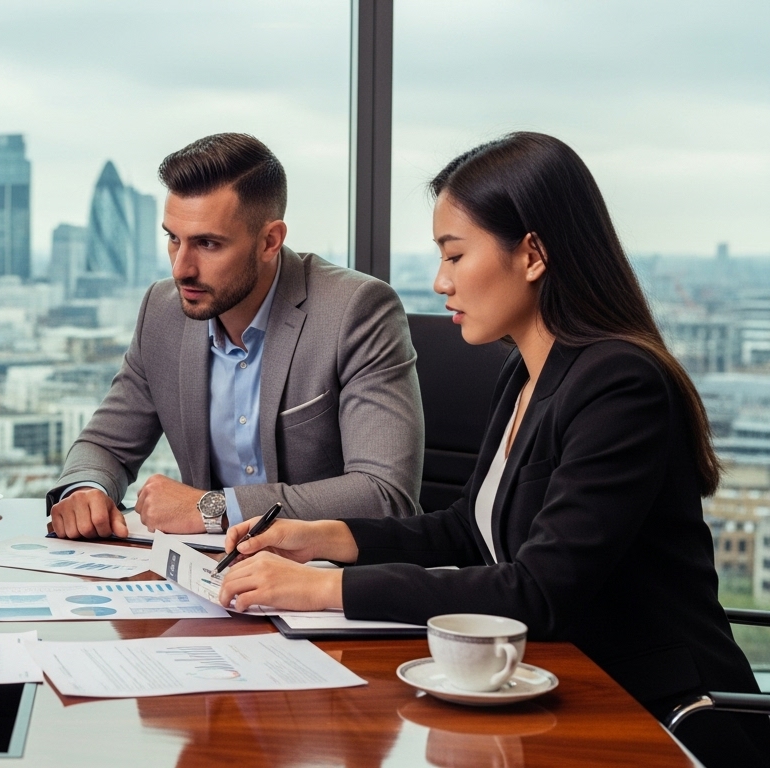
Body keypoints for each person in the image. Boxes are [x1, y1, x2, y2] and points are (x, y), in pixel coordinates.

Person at [216, 132, 770, 767]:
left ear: (532, 253)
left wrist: (320, 592)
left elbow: (538, 593)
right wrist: (319, 539)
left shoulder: (620, 386)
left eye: (455, 255)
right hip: (552, 693)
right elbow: (469, 528)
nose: (440, 281)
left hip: (660, 718)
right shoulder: (525, 371)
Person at [47, 133, 422, 540]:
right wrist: (88, 489)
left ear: (269, 241)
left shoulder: (355, 310)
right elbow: (105, 446)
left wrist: (214, 509)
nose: (180, 269)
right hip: (208, 575)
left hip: (323, 575)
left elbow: (386, 496)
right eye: (174, 238)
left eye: (208, 243)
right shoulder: (163, 310)